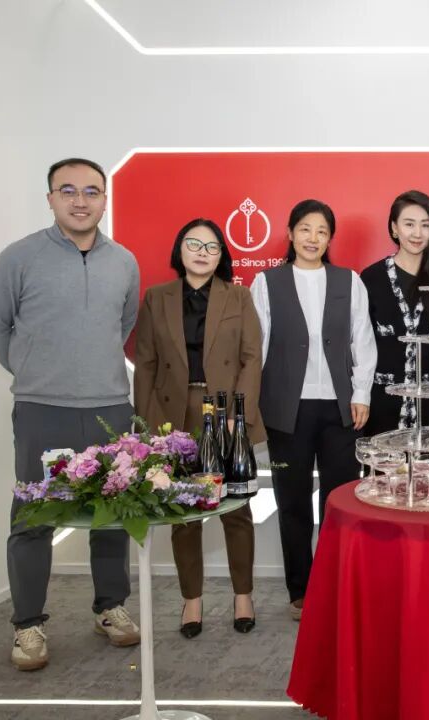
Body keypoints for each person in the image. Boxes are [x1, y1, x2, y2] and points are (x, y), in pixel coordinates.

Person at [0, 158, 142, 671]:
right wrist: (37, 372)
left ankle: (110, 607)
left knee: (113, 515)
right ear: (50, 198)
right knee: (33, 518)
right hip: (42, 409)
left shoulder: (124, 262)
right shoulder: (18, 258)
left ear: (105, 200)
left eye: (91, 191)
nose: (80, 200)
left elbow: (123, 324)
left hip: (110, 407)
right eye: (67, 190)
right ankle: (28, 625)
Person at [133, 218, 264, 638]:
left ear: (222, 255)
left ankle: (243, 596)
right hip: (175, 415)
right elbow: (146, 363)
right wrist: (149, 427)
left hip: (224, 411)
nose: (202, 252)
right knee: (184, 514)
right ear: (180, 250)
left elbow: (251, 358)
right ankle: (192, 600)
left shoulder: (238, 296)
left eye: (211, 246)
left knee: (236, 510)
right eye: (194, 244)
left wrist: (238, 414)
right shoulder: (157, 297)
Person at [250, 199, 377, 621]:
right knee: (292, 502)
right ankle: (300, 590)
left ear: (329, 238)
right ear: (290, 233)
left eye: (322, 231)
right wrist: (255, 404)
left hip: (341, 409)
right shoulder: (266, 282)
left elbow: (363, 341)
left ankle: (337, 584)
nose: (313, 238)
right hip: (287, 410)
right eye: (305, 229)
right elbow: (258, 347)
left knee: (340, 500)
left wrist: (361, 394)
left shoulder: (348, 281)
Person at [361, 190, 429, 435]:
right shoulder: (371, 278)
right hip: (381, 404)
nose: (417, 233)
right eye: (409, 224)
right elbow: (360, 344)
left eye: (425, 225)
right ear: (394, 228)